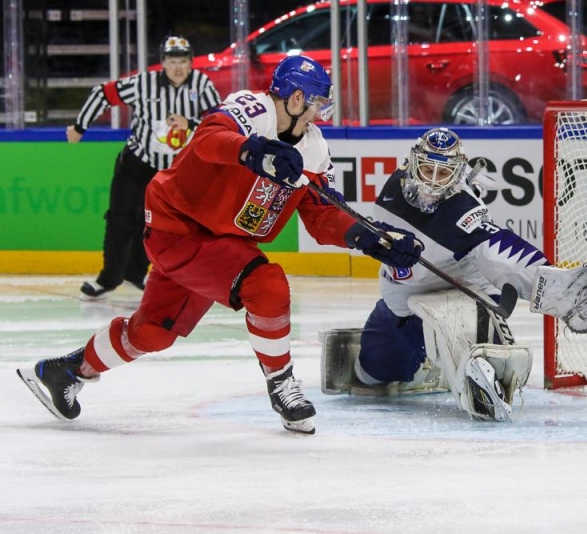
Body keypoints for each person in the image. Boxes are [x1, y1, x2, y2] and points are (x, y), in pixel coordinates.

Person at [17, 55, 423, 435]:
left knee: (153, 332)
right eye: (317, 103)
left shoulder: (314, 148)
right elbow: (209, 138)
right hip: (179, 228)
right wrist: (252, 152)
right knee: (266, 284)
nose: (320, 114)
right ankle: (281, 385)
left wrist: (370, 239)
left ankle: (67, 370)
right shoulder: (252, 109)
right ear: (297, 98)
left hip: (220, 245)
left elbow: (321, 214)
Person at [319, 128, 587, 422]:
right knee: (371, 375)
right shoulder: (393, 190)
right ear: (412, 163)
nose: (433, 181)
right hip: (404, 300)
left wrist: (563, 292)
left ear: (457, 174)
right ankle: (418, 363)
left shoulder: (462, 211)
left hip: (464, 291)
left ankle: (488, 367)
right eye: (427, 169)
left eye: (444, 173)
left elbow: (503, 253)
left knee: (476, 342)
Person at [69, 36, 222, 300]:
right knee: (121, 221)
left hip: (174, 172)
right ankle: (108, 279)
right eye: (172, 61)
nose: (178, 68)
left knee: (157, 226)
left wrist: (191, 123)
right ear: (162, 62)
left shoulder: (202, 85)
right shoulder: (144, 83)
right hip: (137, 164)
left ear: (190, 62)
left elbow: (220, 121)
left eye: (183, 61)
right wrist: (80, 126)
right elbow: (102, 94)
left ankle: (135, 275)